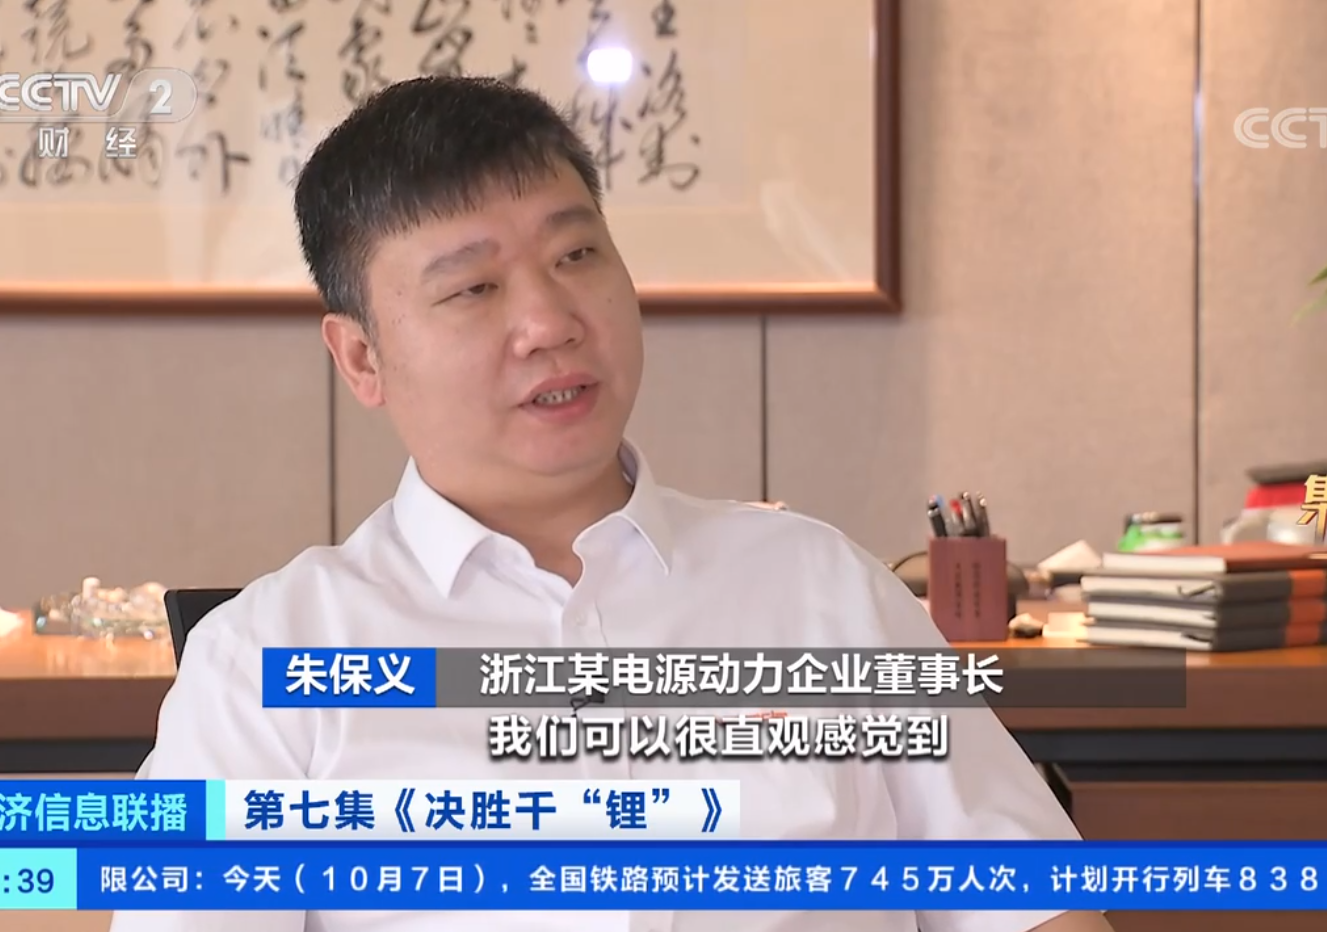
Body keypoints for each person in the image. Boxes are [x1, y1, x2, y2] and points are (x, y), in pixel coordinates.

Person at [110, 75, 1112, 932]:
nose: (549, 321)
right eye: (473, 289)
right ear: (362, 356)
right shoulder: (265, 663)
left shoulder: (819, 588)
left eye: (576, 256)